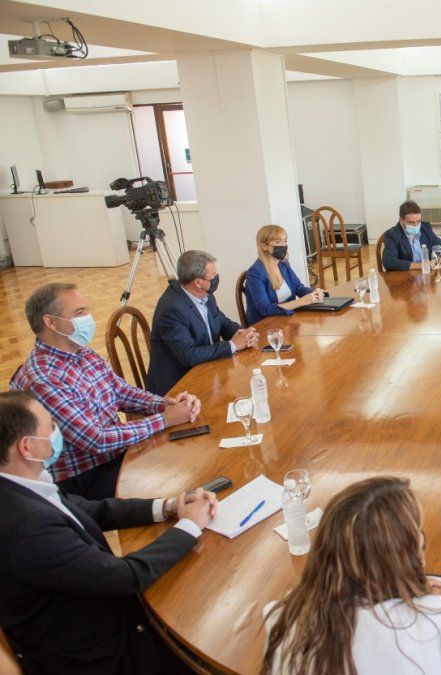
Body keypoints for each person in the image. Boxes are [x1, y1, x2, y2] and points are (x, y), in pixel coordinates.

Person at [0, 390, 219, 674]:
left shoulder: (24, 481)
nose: (58, 430)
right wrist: (189, 526)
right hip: (100, 653)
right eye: (51, 426)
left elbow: (93, 510)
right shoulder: (25, 526)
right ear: (27, 447)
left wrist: (169, 507)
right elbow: (125, 576)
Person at [262, 476, 441, 675]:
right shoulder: (439, 627)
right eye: (420, 541)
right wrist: (439, 610)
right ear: (403, 560)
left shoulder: (283, 616)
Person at [10, 283, 200, 499]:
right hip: (87, 478)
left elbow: (122, 392)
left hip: (115, 454)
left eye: (87, 310)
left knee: (190, 454)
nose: (88, 318)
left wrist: (166, 404)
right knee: (180, 478)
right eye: (79, 313)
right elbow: (96, 440)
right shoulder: (43, 379)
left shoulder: (80, 351)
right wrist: (165, 420)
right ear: (50, 322)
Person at [147, 250, 259, 396]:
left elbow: (221, 321)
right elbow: (189, 355)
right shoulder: (172, 309)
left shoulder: (205, 295)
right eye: (213, 276)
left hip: (208, 369)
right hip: (179, 387)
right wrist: (233, 345)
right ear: (198, 282)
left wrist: (241, 333)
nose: (217, 278)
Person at [244, 224, 325, 325]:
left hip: (287, 320)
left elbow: (299, 288)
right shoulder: (255, 273)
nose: (283, 245)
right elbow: (265, 309)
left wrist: (314, 294)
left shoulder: (283, 264)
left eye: (285, 241)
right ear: (264, 246)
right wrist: (301, 302)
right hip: (264, 325)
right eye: (278, 242)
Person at [382, 201, 441, 272]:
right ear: (401, 221)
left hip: (427, 275)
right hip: (405, 278)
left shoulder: (425, 227)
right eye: (411, 222)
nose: (416, 225)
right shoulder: (392, 235)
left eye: (418, 221)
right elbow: (389, 262)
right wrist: (420, 265)